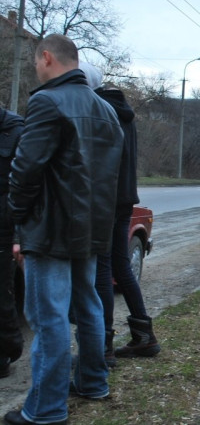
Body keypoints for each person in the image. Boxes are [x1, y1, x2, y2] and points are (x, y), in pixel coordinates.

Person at [5, 34, 124, 425]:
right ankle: (93, 382)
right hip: (90, 227)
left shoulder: (46, 101)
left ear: (46, 57)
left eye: (35, 63)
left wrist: (16, 219)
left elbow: (26, 169)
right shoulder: (106, 110)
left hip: (50, 229)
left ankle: (46, 410)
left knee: (48, 317)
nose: (35, 70)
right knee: (88, 305)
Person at [79, 62, 160, 368]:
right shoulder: (122, 109)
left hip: (106, 197)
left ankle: (103, 348)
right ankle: (144, 336)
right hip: (124, 196)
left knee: (102, 269)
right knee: (120, 266)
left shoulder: (99, 108)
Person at [0, 106, 24, 379]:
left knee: (2, 296)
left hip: (4, 228)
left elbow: (24, 185)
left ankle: (6, 353)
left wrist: (19, 236)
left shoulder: (17, 130)